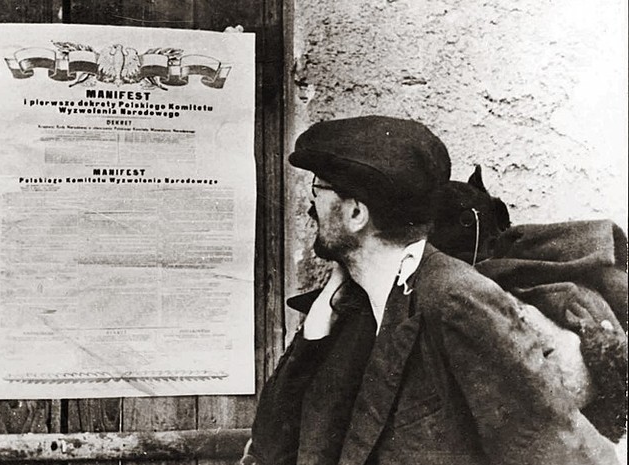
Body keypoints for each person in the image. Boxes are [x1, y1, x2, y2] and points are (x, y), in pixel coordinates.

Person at [244, 116, 619, 465]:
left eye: (319, 189)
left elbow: (562, 450)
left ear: (357, 214)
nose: (311, 205)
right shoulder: (356, 306)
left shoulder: (456, 299)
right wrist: (317, 326)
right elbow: (274, 449)